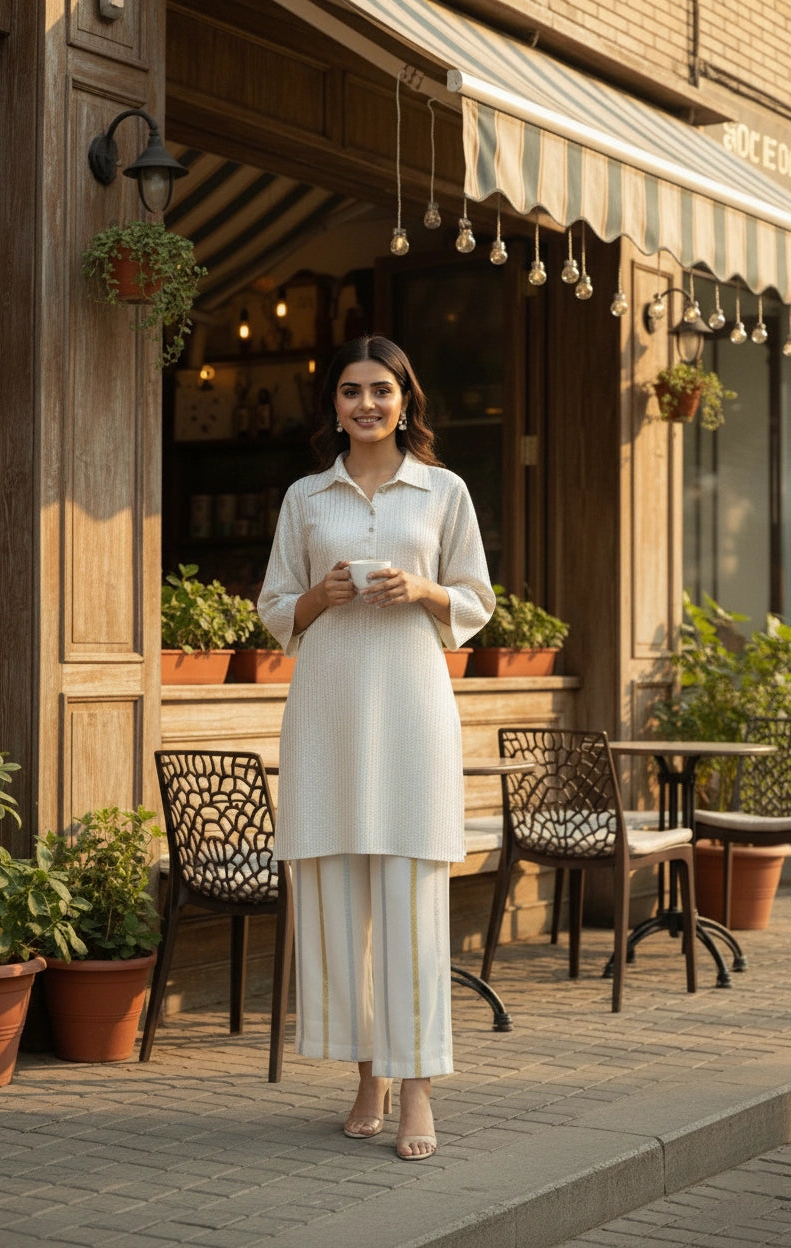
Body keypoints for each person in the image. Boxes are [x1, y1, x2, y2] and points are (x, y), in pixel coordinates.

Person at [258, 334, 494, 1160]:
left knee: (411, 906)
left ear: (404, 400)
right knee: (337, 904)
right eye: (352, 391)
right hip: (327, 716)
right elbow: (274, 606)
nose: (366, 403)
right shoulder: (306, 498)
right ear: (334, 405)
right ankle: (369, 1076)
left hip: (412, 713)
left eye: (381, 390)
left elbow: (476, 598)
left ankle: (417, 1089)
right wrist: (318, 598)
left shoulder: (443, 490)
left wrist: (422, 588)